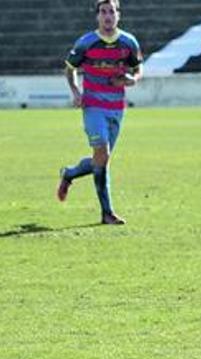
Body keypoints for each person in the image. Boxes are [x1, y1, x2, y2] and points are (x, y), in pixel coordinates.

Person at [56, 0, 142, 225]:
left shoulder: (128, 42)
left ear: (118, 15)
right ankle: (107, 213)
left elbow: (137, 69)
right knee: (102, 155)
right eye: (103, 12)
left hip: (117, 108)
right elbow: (70, 69)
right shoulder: (86, 43)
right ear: (97, 17)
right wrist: (76, 91)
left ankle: (69, 174)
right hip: (93, 105)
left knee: (100, 160)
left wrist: (131, 79)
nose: (107, 16)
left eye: (111, 11)